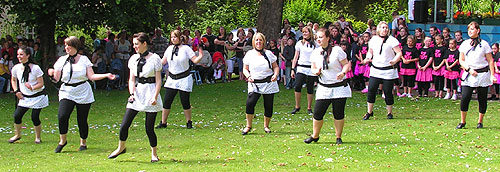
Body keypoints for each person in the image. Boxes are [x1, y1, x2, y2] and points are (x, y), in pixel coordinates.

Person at [48, 36, 115, 153]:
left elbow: (91, 76)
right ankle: (62, 141)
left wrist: (106, 75)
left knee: (82, 119)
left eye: (68, 45)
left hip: (83, 91)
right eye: (65, 45)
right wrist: (51, 73)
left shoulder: (84, 59)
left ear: (74, 46)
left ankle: (83, 142)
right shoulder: (62, 60)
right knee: (62, 116)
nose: (66, 48)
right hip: (67, 91)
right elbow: (56, 78)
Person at [108, 32, 162, 162]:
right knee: (124, 124)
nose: (135, 47)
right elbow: (131, 79)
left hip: (150, 91)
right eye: (133, 44)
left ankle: (154, 154)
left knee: (149, 128)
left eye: (137, 44)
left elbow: (158, 80)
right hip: (138, 92)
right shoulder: (133, 59)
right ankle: (121, 147)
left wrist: (155, 96)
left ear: (145, 44)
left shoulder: (154, 58)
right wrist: (132, 93)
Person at [303, 27, 351, 145]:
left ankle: (338, 137)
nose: (318, 39)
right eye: (317, 37)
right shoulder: (315, 52)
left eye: (321, 37)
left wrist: (343, 73)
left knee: (338, 113)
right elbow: (313, 67)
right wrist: (316, 72)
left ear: (328, 38)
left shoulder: (337, 50)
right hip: (324, 87)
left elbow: (346, 64)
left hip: (339, 87)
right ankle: (315, 136)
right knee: (318, 112)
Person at [156, 30, 204, 129]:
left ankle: (189, 122)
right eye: (172, 37)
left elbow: (194, 60)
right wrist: (153, 64)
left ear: (179, 38)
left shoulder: (186, 48)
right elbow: (163, 62)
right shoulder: (169, 49)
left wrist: (200, 56)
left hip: (184, 78)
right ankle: (163, 122)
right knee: (167, 101)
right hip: (172, 79)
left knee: (185, 101)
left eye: (175, 37)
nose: (173, 39)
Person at [456, 22, 497, 129]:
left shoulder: (484, 44)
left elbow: (490, 61)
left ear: (478, 30)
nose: (470, 31)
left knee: (482, 98)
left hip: (482, 74)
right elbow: (461, 60)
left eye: (472, 29)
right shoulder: (464, 44)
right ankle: (462, 121)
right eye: (469, 29)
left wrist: (492, 75)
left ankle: (480, 121)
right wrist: (469, 69)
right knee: (465, 98)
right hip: (469, 74)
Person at [241, 33, 279, 135]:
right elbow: (245, 68)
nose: (258, 42)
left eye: (260, 40)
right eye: (256, 40)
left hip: (268, 83)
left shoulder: (269, 54)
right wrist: (248, 76)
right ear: (254, 42)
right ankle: (248, 126)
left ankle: (266, 126)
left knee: (268, 105)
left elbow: (275, 66)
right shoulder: (249, 54)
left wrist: (275, 75)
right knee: (250, 103)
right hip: (255, 83)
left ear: (263, 42)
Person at [8, 46, 49, 144]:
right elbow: (13, 80)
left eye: (21, 54)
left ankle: (38, 137)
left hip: (38, 97)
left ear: (28, 55)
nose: (19, 56)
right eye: (18, 54)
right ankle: (17, 135)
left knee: (35, 117)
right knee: (17, 115)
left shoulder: (35, 68)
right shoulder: (16, 68)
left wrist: (32, 87)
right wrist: (16, 91)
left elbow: (41, 83)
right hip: (25, 98)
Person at [362, 21, 402, 120]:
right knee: (371, 90)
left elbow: (399, 53)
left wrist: (394, 61)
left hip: (388, 70)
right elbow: (370, 52)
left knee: (388, 91)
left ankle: (389, 112)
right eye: (383, 27)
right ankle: (369, 111)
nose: (385, 29)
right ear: (379, 29)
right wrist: (367, 58)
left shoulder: (392, 40)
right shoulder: (373, 40)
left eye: (386, 28)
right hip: (376, 69)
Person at [291, 26, 317, 114]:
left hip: (311, 68)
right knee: (297, 86)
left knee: (310, 87)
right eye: (303, 32)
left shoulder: (315, 44)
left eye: (306, 32)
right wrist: (292, 69)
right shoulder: (299, 43)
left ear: (310, 33)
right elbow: (295, 57)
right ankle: (297, 106)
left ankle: (309, 107)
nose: (304, 34)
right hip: (301, 67)